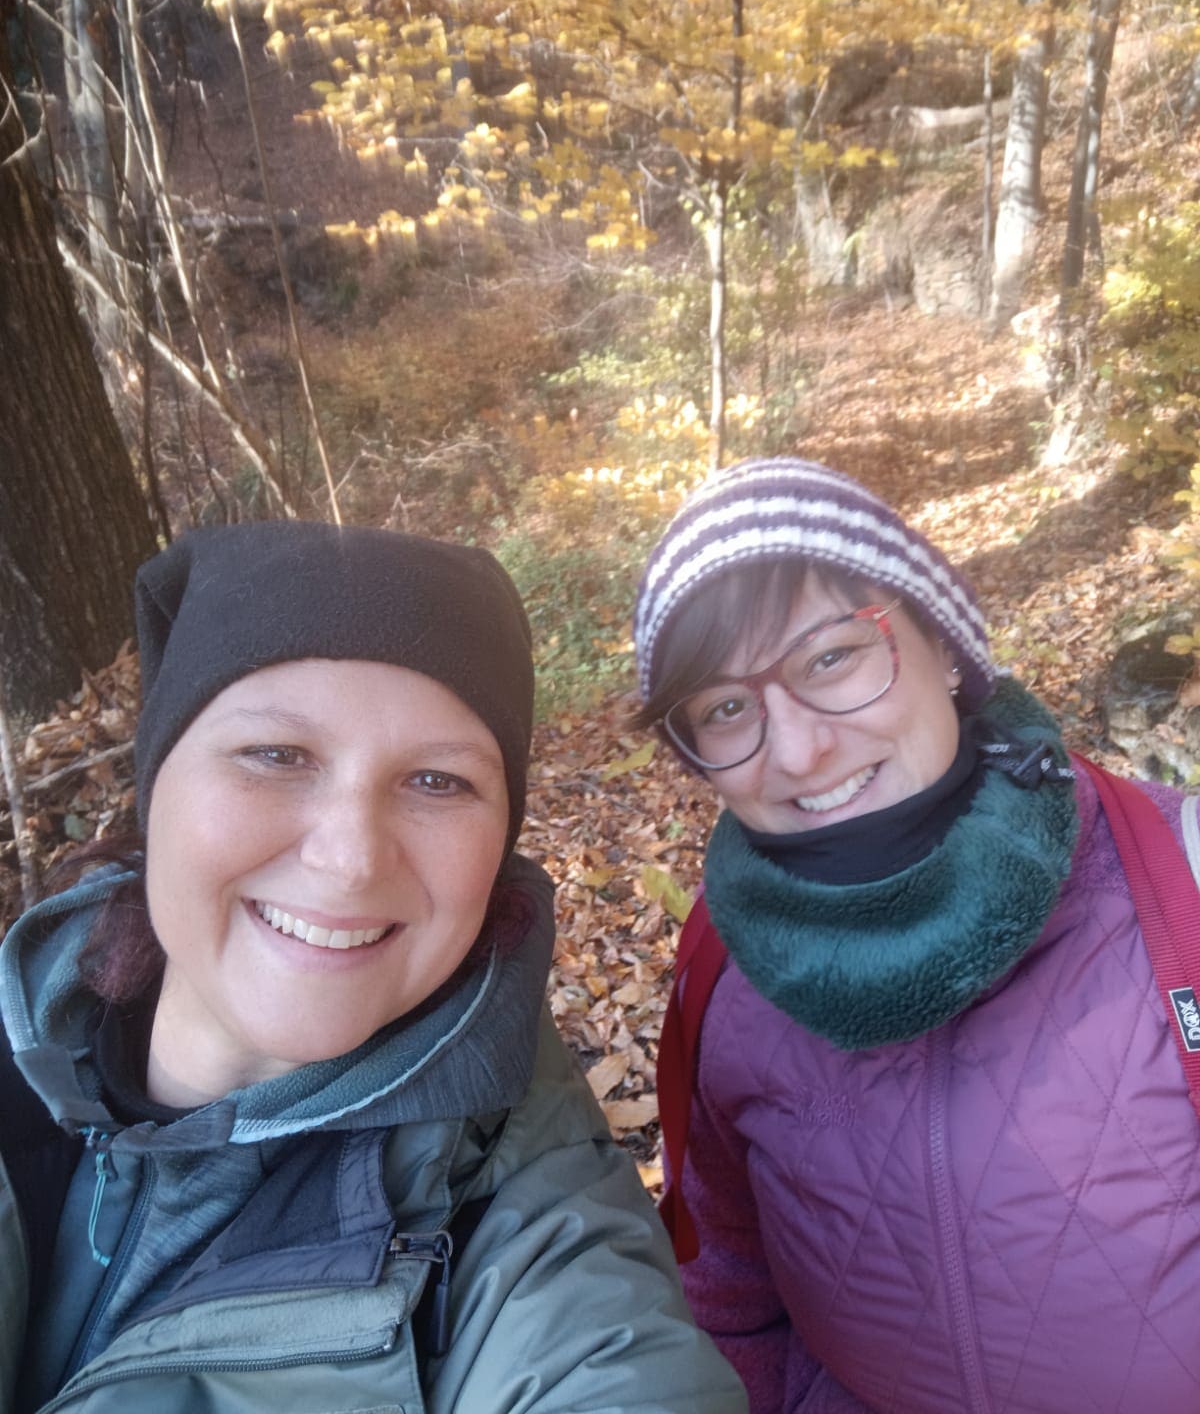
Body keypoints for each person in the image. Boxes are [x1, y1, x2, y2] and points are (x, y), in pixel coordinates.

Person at [0, 521, 747, 1414]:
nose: (352, 859)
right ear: (155, 787)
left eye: (437, 781)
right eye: (275, 756)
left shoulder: (529, 1222)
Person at [632, 457, 1200, 1414]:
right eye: (726, 709)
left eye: (832, 658)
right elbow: (722, 1294)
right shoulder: (724, 963)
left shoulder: (1178, 876)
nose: (801, 748)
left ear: (944, 644)